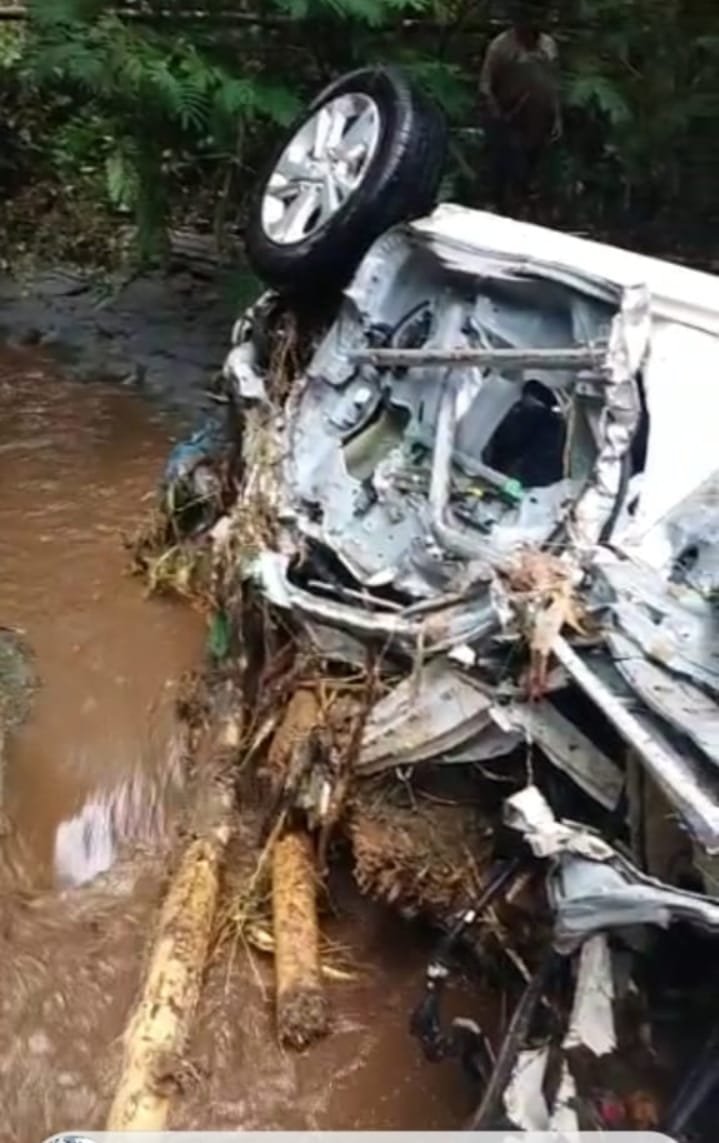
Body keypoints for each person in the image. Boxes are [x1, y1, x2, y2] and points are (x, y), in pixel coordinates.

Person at [479, 3, 562, 217]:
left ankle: (526, 209)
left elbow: (553, 83)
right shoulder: (501, 46)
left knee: (533, 168)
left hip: (540, 118)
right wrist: (497, 114)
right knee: (508, 166)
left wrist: (557, 117)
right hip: (511, 116)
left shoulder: (548, 45)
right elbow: (486, 86)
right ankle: (501, 206)